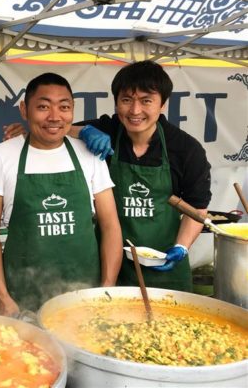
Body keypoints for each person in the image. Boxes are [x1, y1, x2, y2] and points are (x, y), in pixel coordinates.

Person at [0, 72, 123, 316]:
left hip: (84, 297)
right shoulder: (4, 154)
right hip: (22, 297)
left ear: (73, 110)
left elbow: (110, 225)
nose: (55, 117)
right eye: (43, 107)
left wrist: (106, 288)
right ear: (24, 110)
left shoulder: (89, 155)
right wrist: (2, 295)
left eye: (64, 107)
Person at [72, 60, 211, 292]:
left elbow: (197, 209)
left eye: (146, 101)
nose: (135, 111)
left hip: (165, 268)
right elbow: (55, 128)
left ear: (163, 104)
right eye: (126, 100)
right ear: (117, 102)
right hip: (111, 269)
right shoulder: (109, 129)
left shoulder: (186, 149)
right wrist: (84, 130)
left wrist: (182, 247)